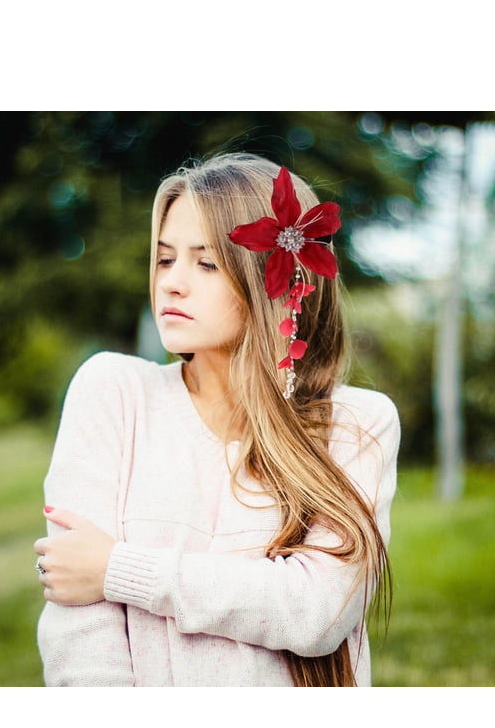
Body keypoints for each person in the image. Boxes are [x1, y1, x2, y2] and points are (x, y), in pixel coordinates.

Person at [33, 152, 400, 687]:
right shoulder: (113, 392)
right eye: (164, 259)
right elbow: (81, 630)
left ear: (278, 280)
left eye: (205, 263)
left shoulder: (356, 423)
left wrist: (118, 569)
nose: (172, 284)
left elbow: (316, 612)